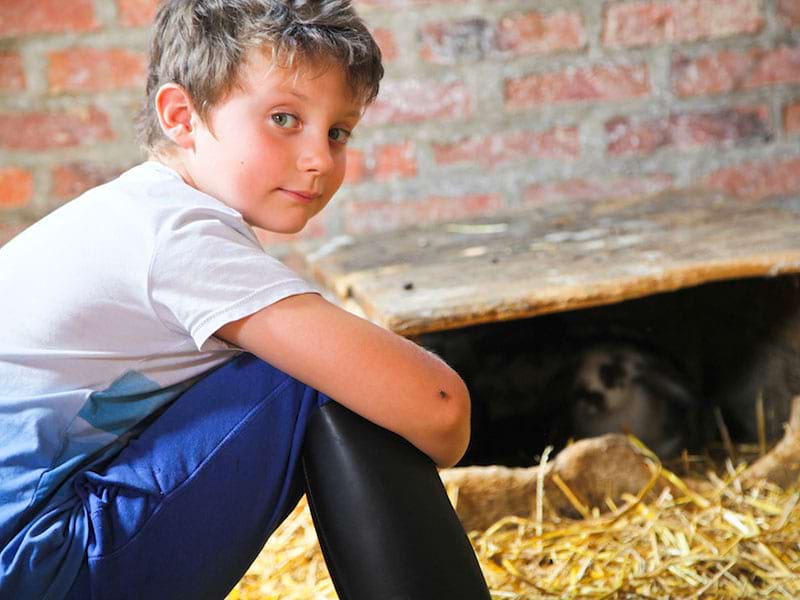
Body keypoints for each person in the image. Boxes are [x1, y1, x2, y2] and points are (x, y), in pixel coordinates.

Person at [0, 1, 489, 598]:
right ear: (182, 116)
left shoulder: (134, 212)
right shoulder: (177, 238)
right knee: (329, 376)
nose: (319, 160)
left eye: (338, 131)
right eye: (284, 118)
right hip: (35, 559)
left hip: (32, 552)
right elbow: (439, 408)